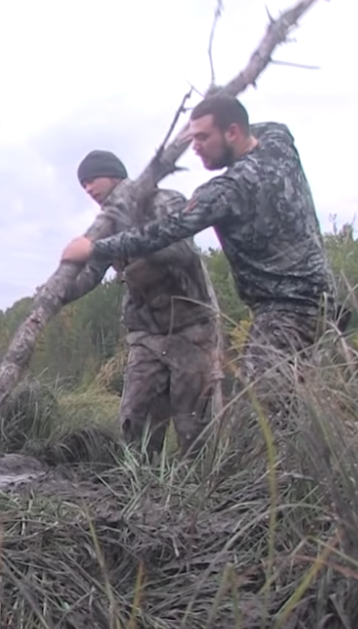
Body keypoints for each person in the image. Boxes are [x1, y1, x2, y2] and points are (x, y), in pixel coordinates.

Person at [61, 96, 343, 415]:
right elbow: (272, 128)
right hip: (315, 300)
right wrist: (206, 125)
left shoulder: (224, 191)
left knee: (255, 416)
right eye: (192, 139)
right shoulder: (277, 144)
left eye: (203, 138)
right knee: (282, 408)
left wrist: (94, 247)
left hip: (286, 309)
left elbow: (168, 232)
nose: (195, 147)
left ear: (233, 132)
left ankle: (278, 463)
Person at [65, 149, 220, 458]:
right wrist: (57, 294)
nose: (88, 189)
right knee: (136, 423)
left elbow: (181, 251)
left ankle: (198, 498)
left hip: (193, 330)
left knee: (194, 427)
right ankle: (140, 495)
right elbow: (92, 273)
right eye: (82, 185)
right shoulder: (104, 227)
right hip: (146, 335)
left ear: (114, 175)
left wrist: (126, 245)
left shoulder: (164, 201)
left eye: (91, 180)